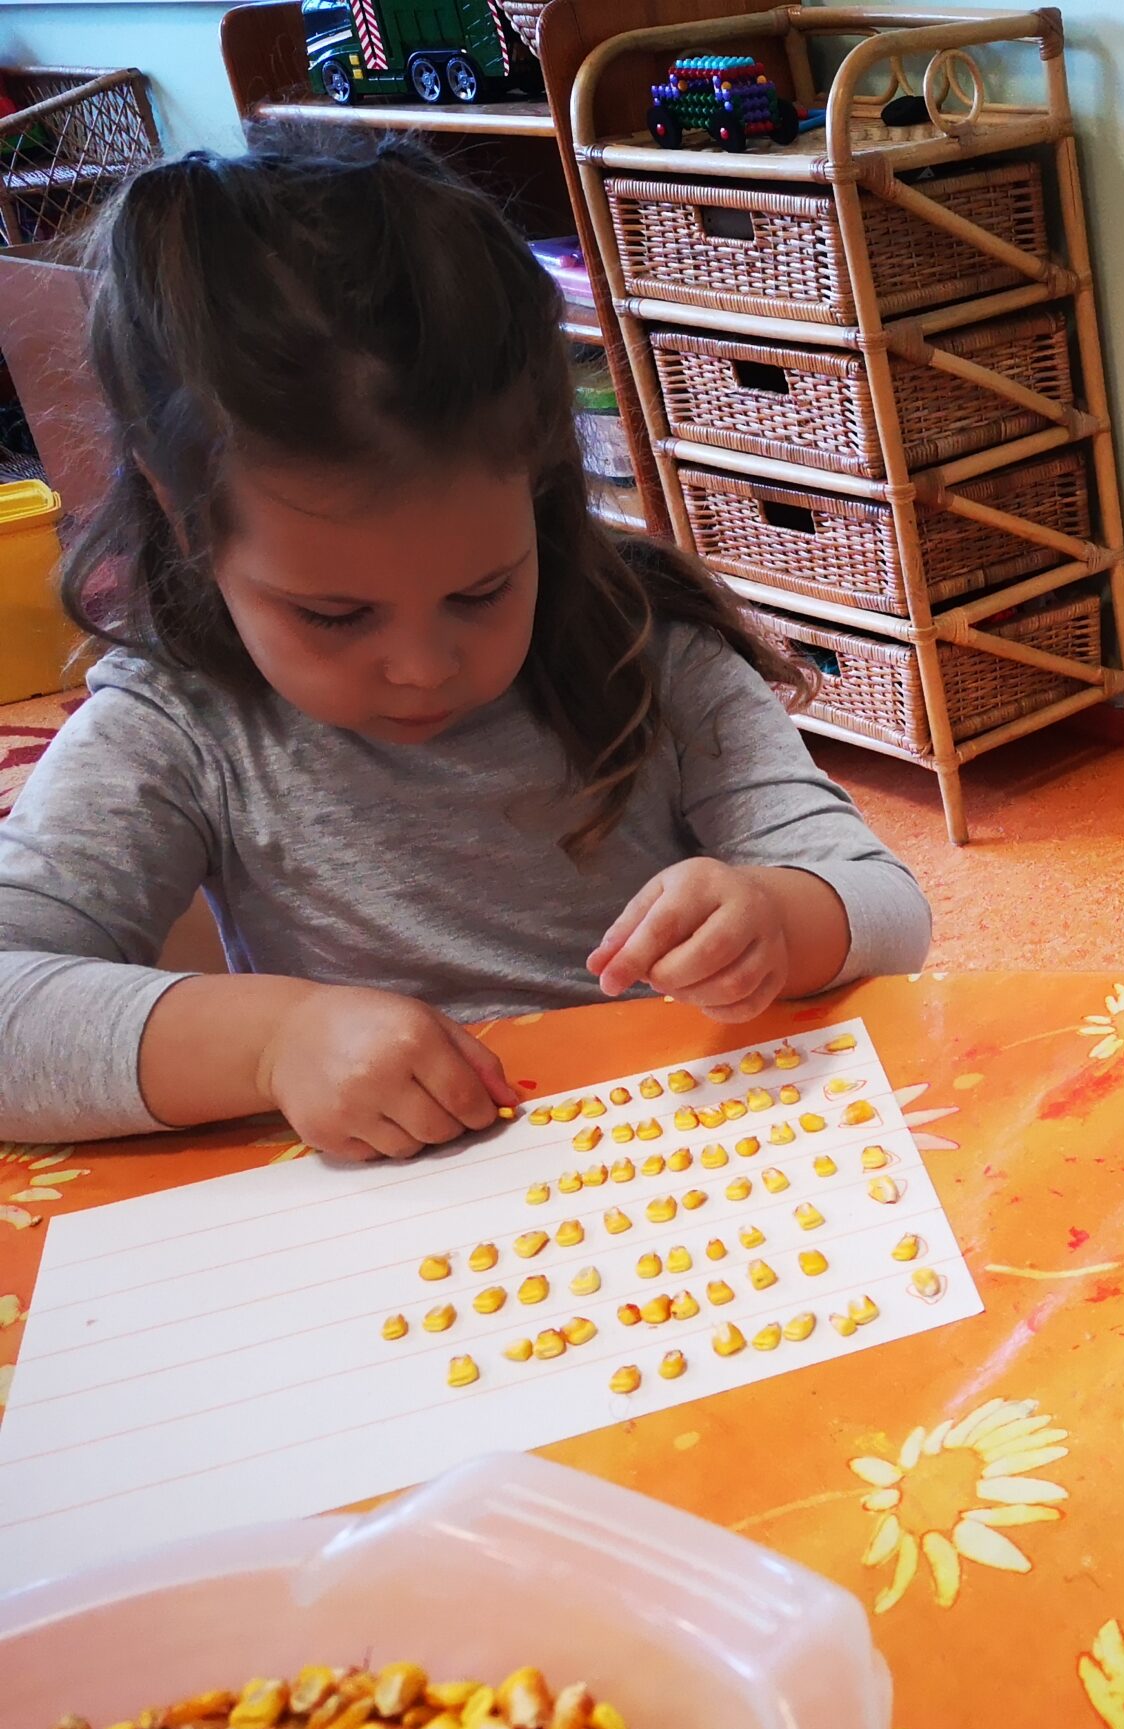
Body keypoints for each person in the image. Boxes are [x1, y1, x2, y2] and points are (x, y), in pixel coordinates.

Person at [0, 138, 930, 1159]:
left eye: (482, 591)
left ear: (539, 483)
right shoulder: (175, 724)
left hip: (682, 1154)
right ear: (180, 508)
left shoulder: (650, 652)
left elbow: (887, 904)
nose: (423, 667)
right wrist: (272, 1044)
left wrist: (776, 918)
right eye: (335, 616)